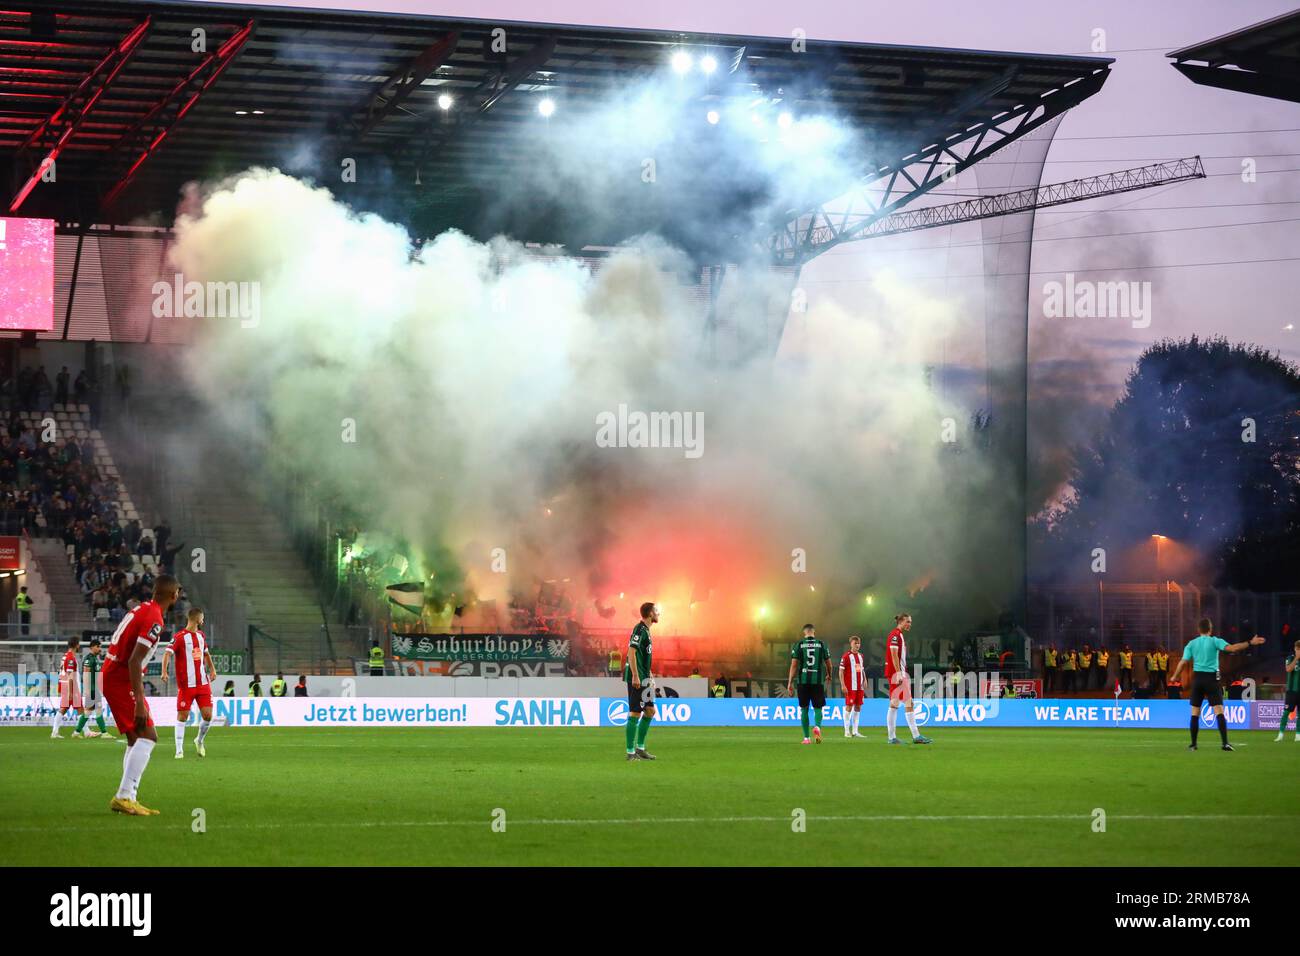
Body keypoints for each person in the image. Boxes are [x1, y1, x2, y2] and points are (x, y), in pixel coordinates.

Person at [102, 573, 179, 815]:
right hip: (120, 677)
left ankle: (128, 798)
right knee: (148, 735)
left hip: (114, 673)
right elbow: (135, 661)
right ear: (173, 595)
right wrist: (139, 703)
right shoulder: (155, 617)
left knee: (136, 739)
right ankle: (124, 796)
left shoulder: (142, 608)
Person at [1166, 617, 1264, 752]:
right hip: (1212, 680)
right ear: (1210, 629)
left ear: (1198, 630)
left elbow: (1183, 662)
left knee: (1195, 713)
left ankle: (1193, 745)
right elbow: (1232, 648)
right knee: (1219, 711)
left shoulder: (1192, 644)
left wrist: (1175, 676)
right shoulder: (1215, 641)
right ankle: (1225, 743)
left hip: (1198, 679)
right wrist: (1250, 642)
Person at [160, 607, 215, 758]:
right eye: (202, 618)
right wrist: (164, 671)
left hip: (203, 683)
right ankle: (179, 750)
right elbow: (167, 653)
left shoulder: (201, 636)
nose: (203, 620)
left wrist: (212, 669)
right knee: (182, 716)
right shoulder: (179, 637)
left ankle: (199, 740)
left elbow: (206, 654)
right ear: (197, 619)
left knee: (208, 716)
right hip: (186, 685)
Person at [885, 613, 932, 744]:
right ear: (901, 621)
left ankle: (892, 737)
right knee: (908, 703)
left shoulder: (897, 635)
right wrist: (899, 673)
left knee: (895, 704)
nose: (910, 624)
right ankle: (915, 736)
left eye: (910, 622)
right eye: (908, 622)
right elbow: (894, 655)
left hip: (896, 673)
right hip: (897, 674)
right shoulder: (896, 635)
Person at [623, 601, 658, 761]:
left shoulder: (646, 631)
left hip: (645, 678)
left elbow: (643, 656)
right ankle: (630, 752)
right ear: (650, 613)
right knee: (636, 712)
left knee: (650, 711)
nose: (658, 613)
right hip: (637, 678)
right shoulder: (639, 629)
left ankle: (641, 749)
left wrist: (649, 675)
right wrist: (636, 675)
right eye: (656, 611)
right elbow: (631, 652)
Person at [787, 624, 830, 744]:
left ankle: (806, 738)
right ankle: (817, 726)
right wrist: (829, 674)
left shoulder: (799, 644)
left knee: (804, 709)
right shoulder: (821, 644)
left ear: (804, 633)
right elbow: (828, 663)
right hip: (817, 682)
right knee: (818, 708)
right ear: (814, 632)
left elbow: (794, 665)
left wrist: (790, 682)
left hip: (803, 681)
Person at [74, 638, 112, 739]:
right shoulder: (89, 659)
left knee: (88, 712)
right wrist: (87, 690)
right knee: (97, 709)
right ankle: (104, 733)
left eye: (100, 647)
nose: (100, 649)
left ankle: (76, 732)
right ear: (92, 647)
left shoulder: (95, 658)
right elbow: (86, 674)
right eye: (98, 647)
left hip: (95, 689)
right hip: (91, 689)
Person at [50, 636, 82, 739]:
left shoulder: (65, 656)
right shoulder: (71, 658)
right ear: (77, 645)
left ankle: (55, 732)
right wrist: (71, 691)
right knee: (79, 709)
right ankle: (85, 731)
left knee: (65, 708)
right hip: (70, 686)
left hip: (64, 685)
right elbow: (70, 674)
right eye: (79, 644)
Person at [839, 635, 866, 738]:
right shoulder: (846, 656)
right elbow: (841, 671)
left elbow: (860, 669)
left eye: (858, 643)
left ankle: (855, 731)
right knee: (849, 707)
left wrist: (865, 679)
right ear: (851, 644)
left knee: (858, 707)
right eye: (855, 643)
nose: (857, 645)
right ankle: (846, 731)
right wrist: (843, 685)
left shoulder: (861, 656)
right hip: (850, 686)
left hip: (859, 686)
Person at [1277, 639, 1300, 743]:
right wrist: (1297, 658)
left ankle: (1298, 735)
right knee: (1286, 712)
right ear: (1295, 649)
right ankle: (1280, 735)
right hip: (1291, 691)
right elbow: (1288, 669)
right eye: (1298, 648)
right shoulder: (1290, 658)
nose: (1299, 650)